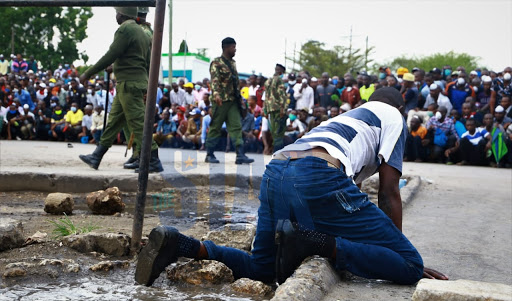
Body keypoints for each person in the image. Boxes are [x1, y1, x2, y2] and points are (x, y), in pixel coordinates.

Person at [134, 87, 447, 287]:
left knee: (261, 269)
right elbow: (389, 191)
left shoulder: (347, 117)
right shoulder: (394, 117)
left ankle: (183, 245)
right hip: (317, 174)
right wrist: (394, 252)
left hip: (277, 170)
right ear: (400, 107)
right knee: (410, 264)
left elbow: (343, 205)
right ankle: (314, 243)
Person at [78, 7, 163, 173]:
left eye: (117, 12)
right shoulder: (142, 31)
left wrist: (88, 73)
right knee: (114, 121)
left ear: (122, 14)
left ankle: (153, 158)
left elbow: (112, 54)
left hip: (128, 84)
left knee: (137, 122)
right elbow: (145, 60)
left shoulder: (125, 29)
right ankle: (97, 155)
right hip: (133, 82)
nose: (116, 15)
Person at [204, 37, 253, 165]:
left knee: (236, 126)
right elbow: (214, 80)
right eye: (233, 47)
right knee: (215, 127)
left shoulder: (232, 63)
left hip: (232, 101)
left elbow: (235, 83)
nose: (235, 50)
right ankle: (209, 154)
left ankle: (240, 154)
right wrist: (216, 94)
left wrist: (241, 99)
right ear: (226, 47)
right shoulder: (216, 63)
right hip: (220, 100)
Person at [264, 63, 288, 152]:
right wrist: (283, 109)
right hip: (278, 108)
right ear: (282, 72)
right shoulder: (280, 80)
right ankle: (277, 152)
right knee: (279, 131)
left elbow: (266, 96)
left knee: (274, 131)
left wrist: (265, 109)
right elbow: (282, 96)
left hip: (270, 108)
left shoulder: (268, 81)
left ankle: (275, 151)